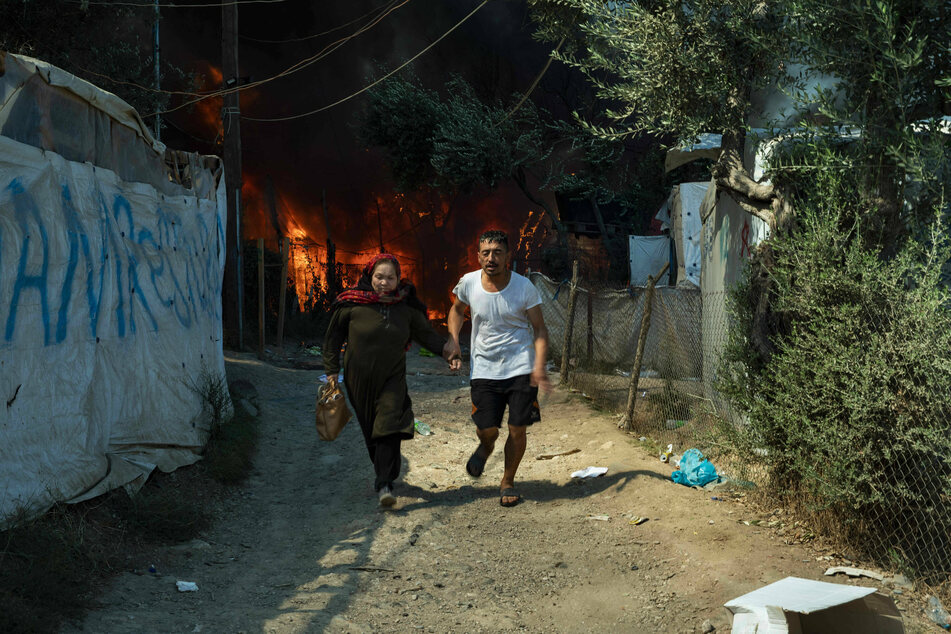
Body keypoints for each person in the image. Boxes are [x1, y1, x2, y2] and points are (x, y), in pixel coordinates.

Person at [323, 253, 461, 507]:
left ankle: (384, 484)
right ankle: (387, 471)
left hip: (392, 379)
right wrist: (332, 370)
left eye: (390, 278)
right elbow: (332, 340)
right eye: (379, 277)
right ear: (369, 276)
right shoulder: (351, 305)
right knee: (371, 432)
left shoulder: (405, 308)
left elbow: (427, 336)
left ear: (399, 279)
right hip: (358, 380)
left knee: (387, 424)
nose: (384, 283)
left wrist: (448, 353)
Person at [446, 230, 552, 507]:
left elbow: (540, 329)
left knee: (518, 428)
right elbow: (457, 310)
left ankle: (507, 481)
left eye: (497, 252)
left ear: (507, 255)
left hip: (520, 366)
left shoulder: (524, 287)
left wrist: (538, 366)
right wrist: (454, 340)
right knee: (487, 429)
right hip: (483, 368)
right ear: (478, 254)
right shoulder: (468, 282)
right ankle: (486, 445)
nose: (491, 258)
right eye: (485, 252)